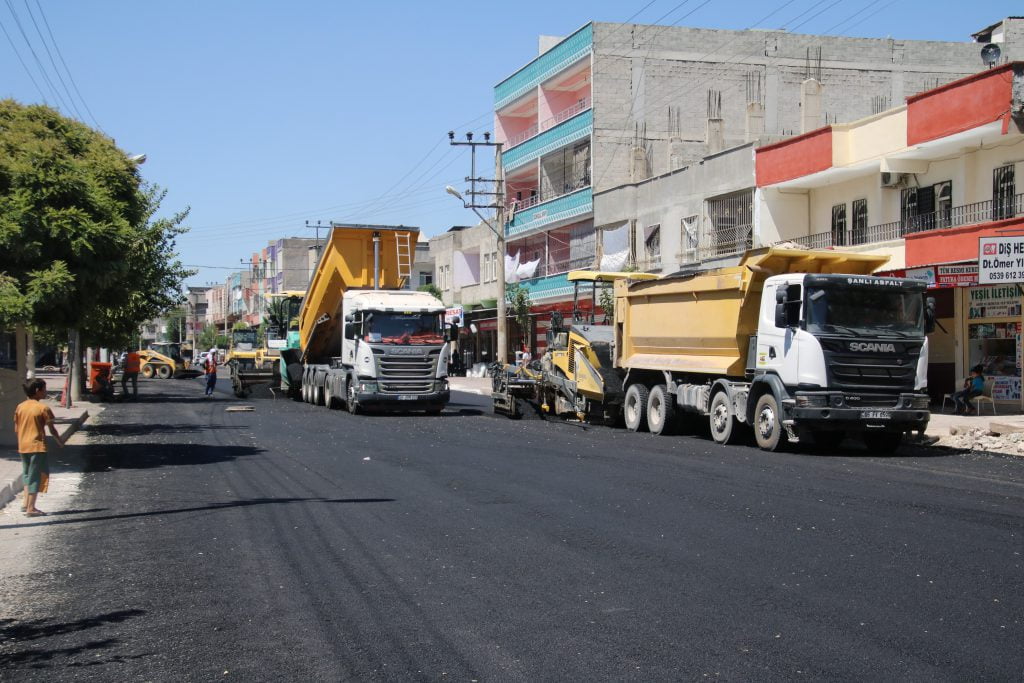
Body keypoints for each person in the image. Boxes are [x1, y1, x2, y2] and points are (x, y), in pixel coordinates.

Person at [14, 378, 63, 517]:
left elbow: (16, 428)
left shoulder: (20, 406)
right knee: (36, 476)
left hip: (23, 445)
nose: (46, 392)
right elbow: (52, 429)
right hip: (37, 446)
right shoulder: (43, 408)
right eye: (44, 389)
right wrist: (60, 441)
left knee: (27, 474)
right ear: (37, 391)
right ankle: (31, 508)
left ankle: (25, 503)